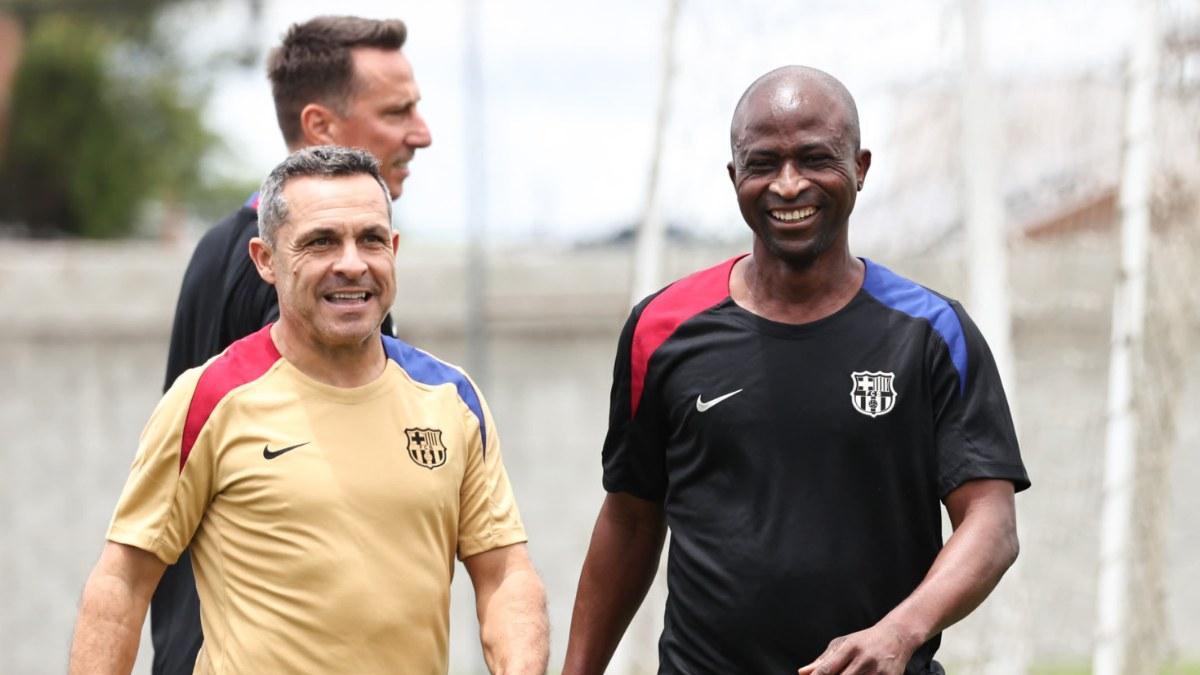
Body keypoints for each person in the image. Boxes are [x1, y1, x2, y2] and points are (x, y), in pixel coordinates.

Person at [563, 66, 1030, 675]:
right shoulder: (661, 329)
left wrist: (900, 632)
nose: (788, 185)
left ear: (860, 167)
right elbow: (628, 520)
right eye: (763, 164)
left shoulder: (932, 333)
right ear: (735, 178)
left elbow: (991, 524)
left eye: (815, 158)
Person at [69, 146, 549, 674]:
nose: (351, 263)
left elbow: (505, 575)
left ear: (393, 248)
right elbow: (122, 583)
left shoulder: (451, 398)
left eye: (370, 239)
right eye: (320, 242)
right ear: (265, 260)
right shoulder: (209, 398)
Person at [154, 16, 431, 673]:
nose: (422, 132)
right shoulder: (316, 289)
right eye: (398, 111)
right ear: (321, 129)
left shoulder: (220, 245)